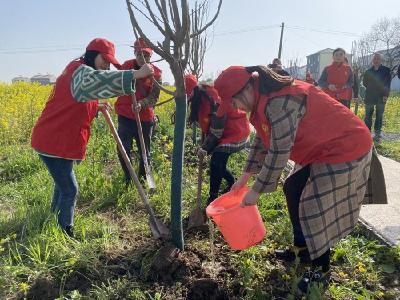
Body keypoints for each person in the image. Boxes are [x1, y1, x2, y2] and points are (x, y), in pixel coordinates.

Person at [214, 65, 373, 294]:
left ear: (247, 89)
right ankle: (302, 249)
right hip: (322, 147)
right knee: (293, 187)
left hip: (346, 145)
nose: (235, 108)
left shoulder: (280, 101)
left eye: (234, 101)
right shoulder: (262, 99)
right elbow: (262, 138)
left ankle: (321, 270)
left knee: (314, 207)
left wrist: (256, 191)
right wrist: (245, 177)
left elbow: (279, 150)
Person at [31, 38, 154, 237]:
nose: (106, 65)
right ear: (92, 54)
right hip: (53, 141)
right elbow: (96, 81)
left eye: (109, 62)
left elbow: (76, 98)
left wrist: (96, 106)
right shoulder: (79, 71)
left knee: (62, 184)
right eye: (104, 60)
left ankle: (53, 218)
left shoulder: (78, 71)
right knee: (70, 189)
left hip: (56, 140)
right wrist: (136, 74)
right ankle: (65, 232)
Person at [185, 74, 250, 205]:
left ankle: (213, 197)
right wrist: (204, 145)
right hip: (223, 133)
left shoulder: (213, 101)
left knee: (216, 163)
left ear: (195, 89)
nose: (188, 97)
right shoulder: (199, 99)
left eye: (188, 93)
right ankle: (232, 182)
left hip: (235, 132)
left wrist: (205, 148)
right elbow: (207, 126)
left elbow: (216, 131)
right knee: (217, 164)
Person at [114, 38, 162, 184]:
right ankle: (129, 178)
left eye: (146, 56)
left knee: (145, 152)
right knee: (123, 149)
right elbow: (116, 84)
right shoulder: (126, 67)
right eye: (140, 55)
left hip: (145, 118)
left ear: (150, 57)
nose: (143, 58)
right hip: (125, 115)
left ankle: (143, 179)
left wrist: (142, 103)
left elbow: (154, 97)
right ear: (135, 53)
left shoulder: (157, 74)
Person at [363, 53, 392, 143]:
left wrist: (385, 95)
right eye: (375, 58)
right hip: (370, 96)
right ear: (372, 60)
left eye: (378, 59)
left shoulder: (386, 70)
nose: (376, 60)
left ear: (381, 60)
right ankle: (367, 133)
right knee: (368, 116)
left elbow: (387, 84)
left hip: (381, 96)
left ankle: (377, 133)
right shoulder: (368, 71)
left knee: (379, 115)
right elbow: (365, 83)